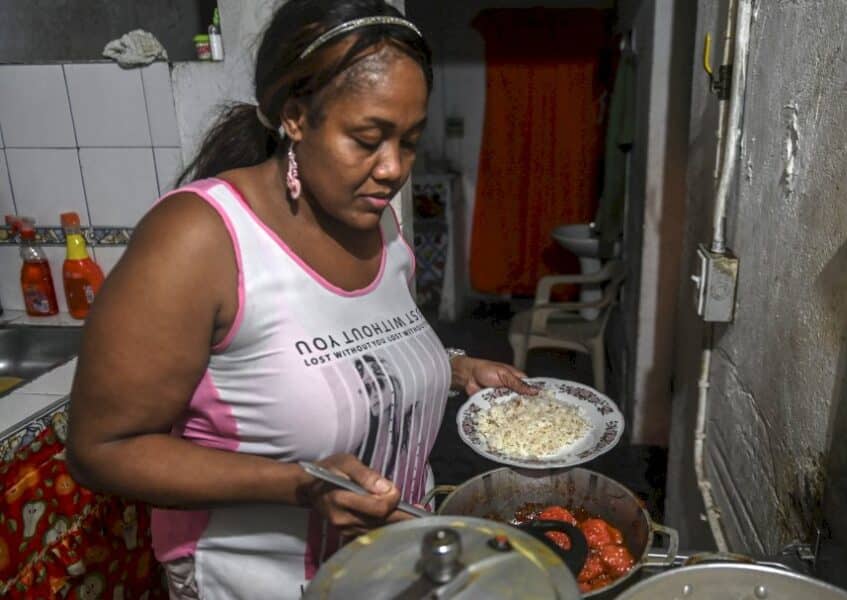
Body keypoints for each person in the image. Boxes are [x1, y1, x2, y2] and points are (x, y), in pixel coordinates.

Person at [65, 1, 536, 598]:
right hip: (258, 581)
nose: (393, 169)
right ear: (295, 116)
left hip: (387, 570)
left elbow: (353, 354)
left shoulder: (381, 227)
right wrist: (301, 485)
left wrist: (456, 368)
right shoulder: (200, 239)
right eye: (367, 139)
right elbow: (102, 449)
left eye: (409, 141)